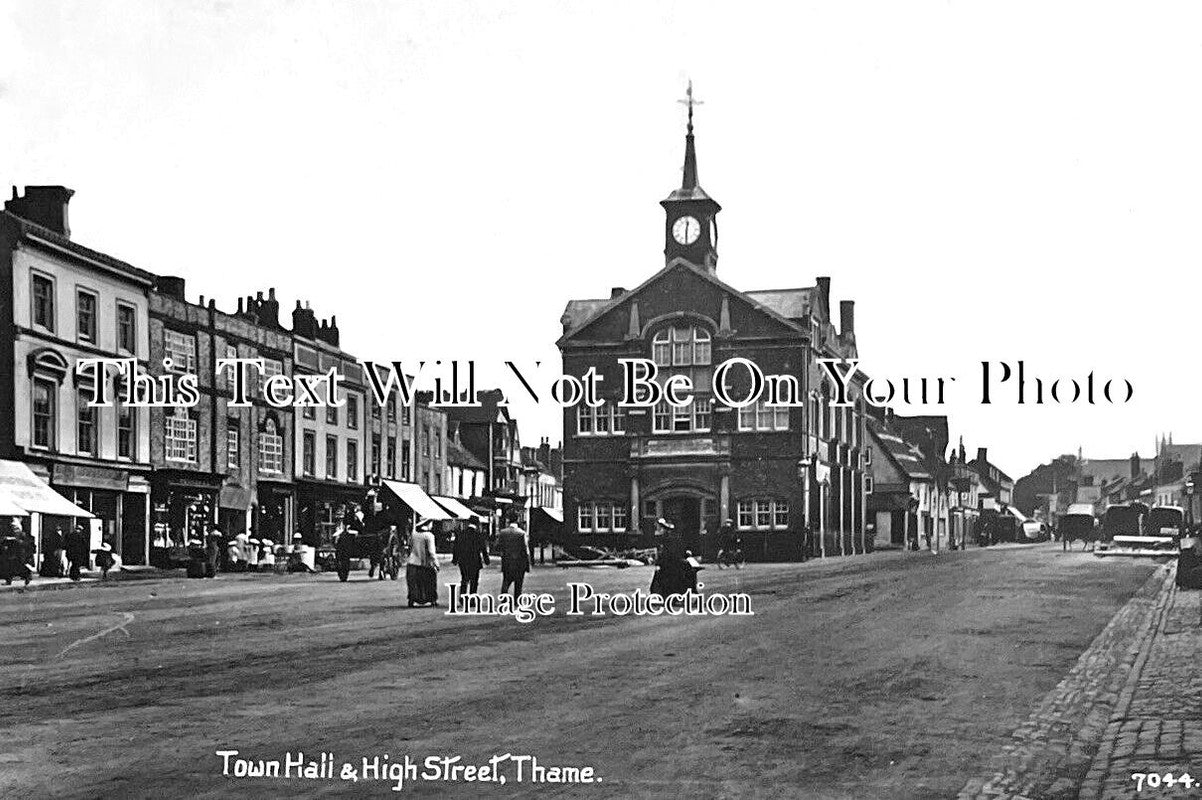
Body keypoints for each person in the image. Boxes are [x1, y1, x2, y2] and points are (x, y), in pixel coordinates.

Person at [650, 518, 697, 597]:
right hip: (672, 563)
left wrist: (658, 563)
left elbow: (666, 553)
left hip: (670, 564)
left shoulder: (667, 539)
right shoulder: (670, 538)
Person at [406, 521, 440, 607]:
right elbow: (432, 552)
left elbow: (410, 547)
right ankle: (432, 600)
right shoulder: (429, 536)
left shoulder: (414, 534)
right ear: (428, 524)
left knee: (414, 583)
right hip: (425, 563)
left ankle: (412, 599)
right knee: (430, 582)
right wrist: (436, 563)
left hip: (412, 562)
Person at [496, 515, 531, 599]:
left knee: (506, 582)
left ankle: (503, 600)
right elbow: (526, 550)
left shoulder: (503, 532)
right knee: (518, 584)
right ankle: (516, 600)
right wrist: (528, 564)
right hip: (519, 562)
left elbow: (498, 547)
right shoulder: (521, 533)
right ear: (517, 520)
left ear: (508, 521)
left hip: (507, 561)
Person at [451, 522, 490, 594]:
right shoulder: (478, 535)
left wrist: (455, 559)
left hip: (463, 560)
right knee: (474, 581)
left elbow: (456, 548)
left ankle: (463, 597)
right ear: (477, 525)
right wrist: (486, 560)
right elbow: (483, 549)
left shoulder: (461, 534)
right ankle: (472, 598)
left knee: (464, 579)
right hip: (475, 561)